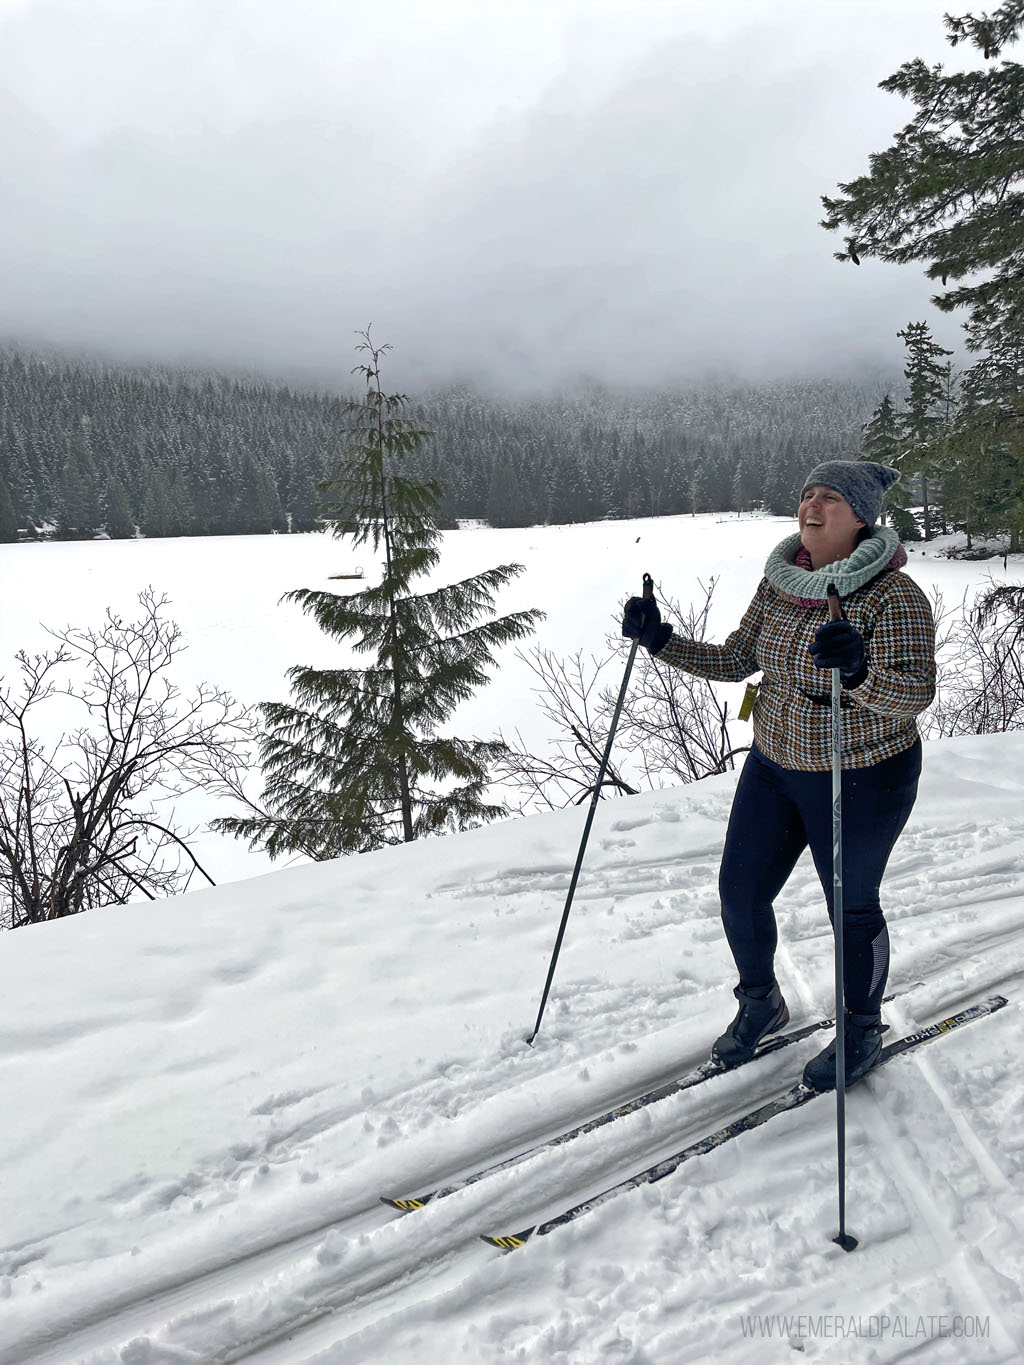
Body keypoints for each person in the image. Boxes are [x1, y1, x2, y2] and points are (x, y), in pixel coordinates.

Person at [622, 460, 936, 1091]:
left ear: (860, 518)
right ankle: (761, 1002)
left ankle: (862, 1026)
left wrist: (857, 675)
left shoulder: (894, 596)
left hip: (862, 775)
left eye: (829, 499)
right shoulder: (781, 583)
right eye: (806, 495)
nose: (810, 506)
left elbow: (916, 693)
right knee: (740, 891)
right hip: (775, 764)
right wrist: (661, 641)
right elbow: (739, 657)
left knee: (851, 908)